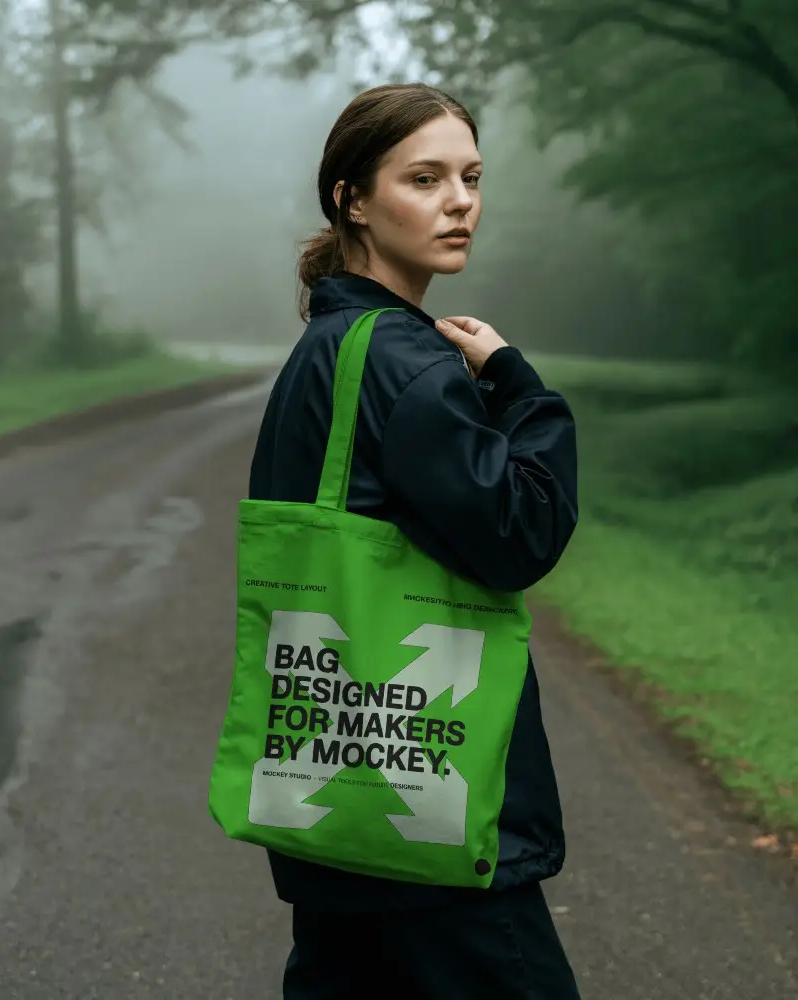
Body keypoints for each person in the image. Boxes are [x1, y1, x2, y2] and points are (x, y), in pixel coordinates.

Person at [249, 82, 581, 1000]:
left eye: (471, 177)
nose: (460, 201)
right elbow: (523, 530)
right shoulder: (405, 359)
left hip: (336, 788)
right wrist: (520, 389)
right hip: (429, 801)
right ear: (352, 199)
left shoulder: (325, 344)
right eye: (425, 178)